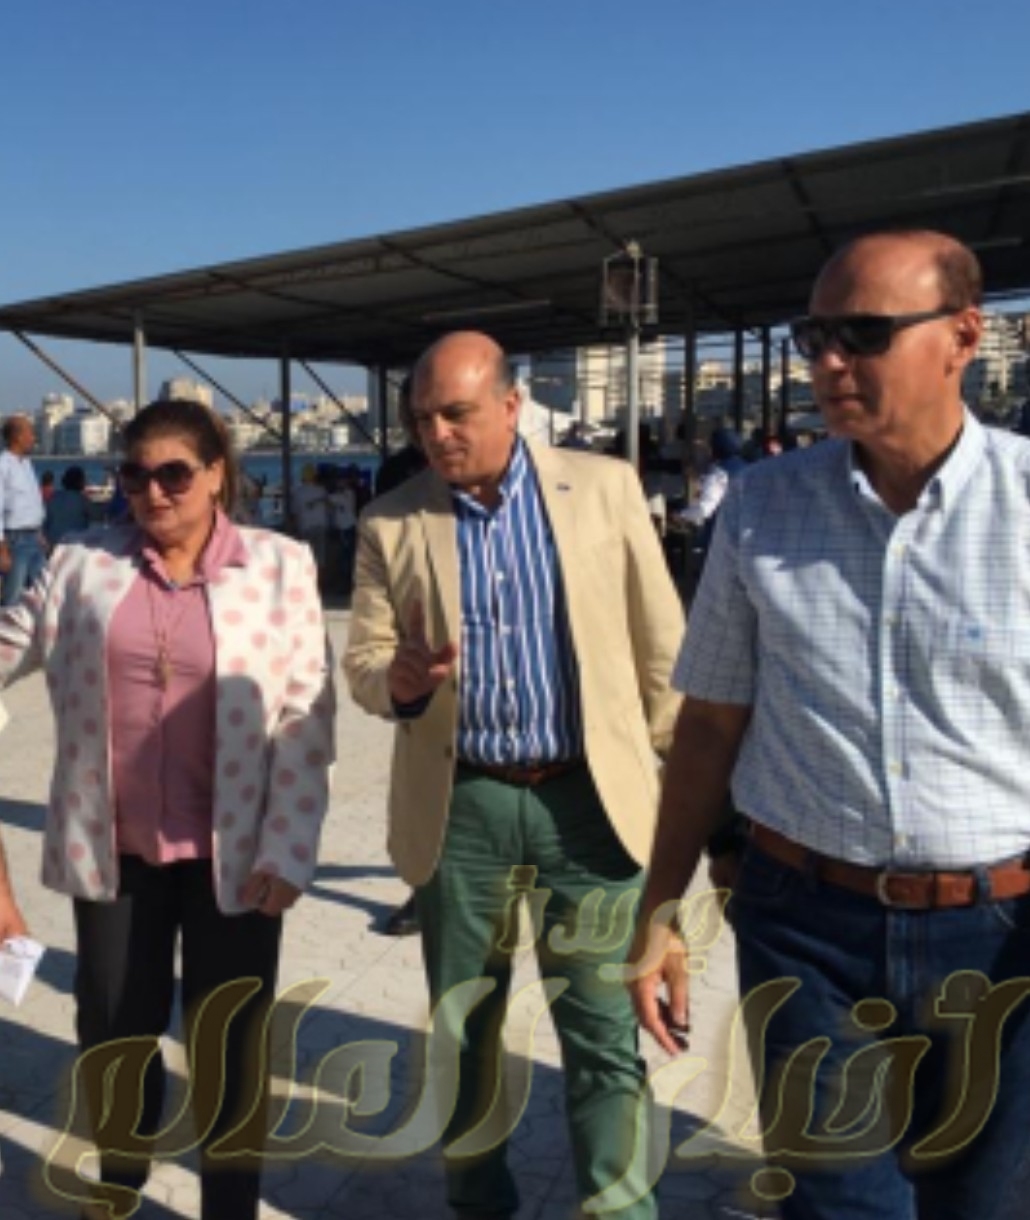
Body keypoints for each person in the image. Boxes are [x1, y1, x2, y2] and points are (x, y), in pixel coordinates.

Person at [627, 231, 1030, 1220]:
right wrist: (659, 905)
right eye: (815, 338)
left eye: (864, 334)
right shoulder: (762, 508)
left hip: (1000, 936)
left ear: (963, 337)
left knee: (986, 1201)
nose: (831, 363)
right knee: (836, 1203)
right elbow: (709, 725)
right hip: (805, 925)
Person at [344, 331, 684, 1220]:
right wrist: (401, 683)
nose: (437, 434)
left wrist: (698, 813)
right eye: (422, 419)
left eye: (456, 414)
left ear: (510, 405)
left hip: (591, 806)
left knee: (603, 1032)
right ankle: (478, 1204)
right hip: (465, 810)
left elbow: (663, 655)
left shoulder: (604, 489)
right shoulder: (391, 520)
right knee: (465, 1030)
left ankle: (619, 1208)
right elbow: (365, 664)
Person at [0, 398, 335, 1220]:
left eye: (174, 474)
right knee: (114, 1029)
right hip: (113, 853)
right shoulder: (80, 562)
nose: (152, 492)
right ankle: (121, 1181)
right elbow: (9, 641)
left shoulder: (279, 565)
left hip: (240, 857)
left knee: (229, 1047)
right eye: (134, 475)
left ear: (217, 473)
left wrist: (289, 849)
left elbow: (305, 716)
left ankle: (229, 1207)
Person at [0, 414, 47, 606]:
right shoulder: (3, 465)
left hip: (34, 537)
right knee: (13, 596)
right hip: (15, 540)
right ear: (17, 437)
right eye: (30, 433)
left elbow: (32, 501)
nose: (33, 438)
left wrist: (40, 533)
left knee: (41, 594)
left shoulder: (27, 464)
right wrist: (2, 549)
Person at [43, 464, 92, 546]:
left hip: (54, 542)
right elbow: (89, 524)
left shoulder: (53, 497)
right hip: (75, 543)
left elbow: (46, 523)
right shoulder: (83, 501)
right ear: (81, 482)